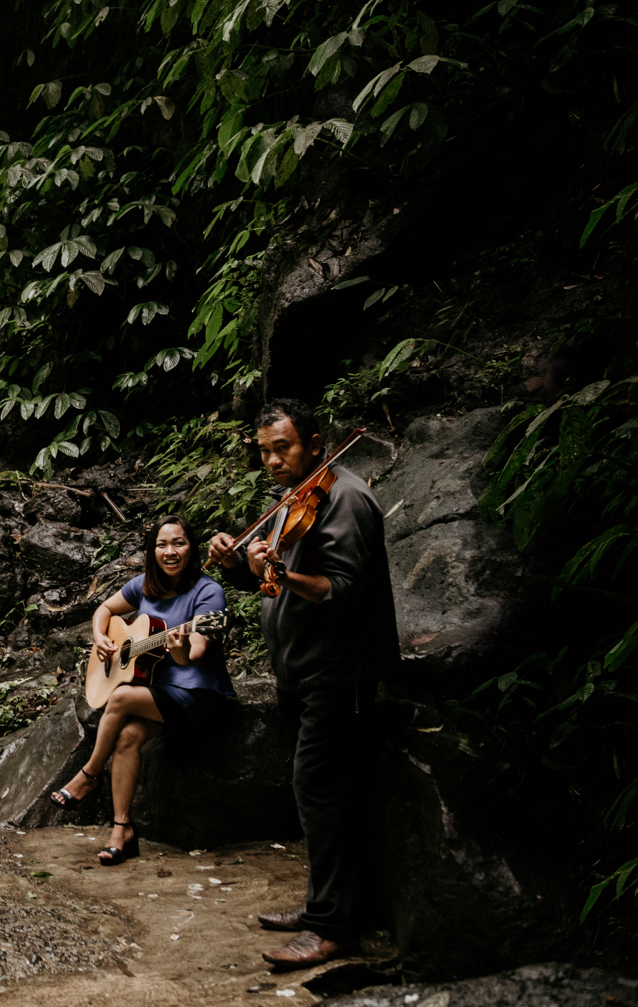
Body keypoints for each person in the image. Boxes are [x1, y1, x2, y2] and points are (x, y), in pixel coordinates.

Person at [206, 398, 398, 970]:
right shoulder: (293, 501)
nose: (270, 461)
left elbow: (345, 592)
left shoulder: (346, 499)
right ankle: (327, 905)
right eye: (263, 451)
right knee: (319, 795)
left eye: (281, 448)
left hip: (337, 675)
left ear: (315, 443)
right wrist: (239, 564)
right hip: (301, 671)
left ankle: (333, 927)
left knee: (322, 790)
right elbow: (272, 587)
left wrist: (281, 570)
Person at [48, 515, 235, 865]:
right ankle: (123, 831)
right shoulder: (145, 585)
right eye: (162, 545)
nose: (170, 551)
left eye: (178, 543)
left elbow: (191, 655)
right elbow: (104, 608)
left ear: (191, 547)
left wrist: (177, 646)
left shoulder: (209, 593)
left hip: (198, 696)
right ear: (152, 551)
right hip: (159, 695)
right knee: (128, 737)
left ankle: (88, 776)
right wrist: (101, 637)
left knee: (119, 697)